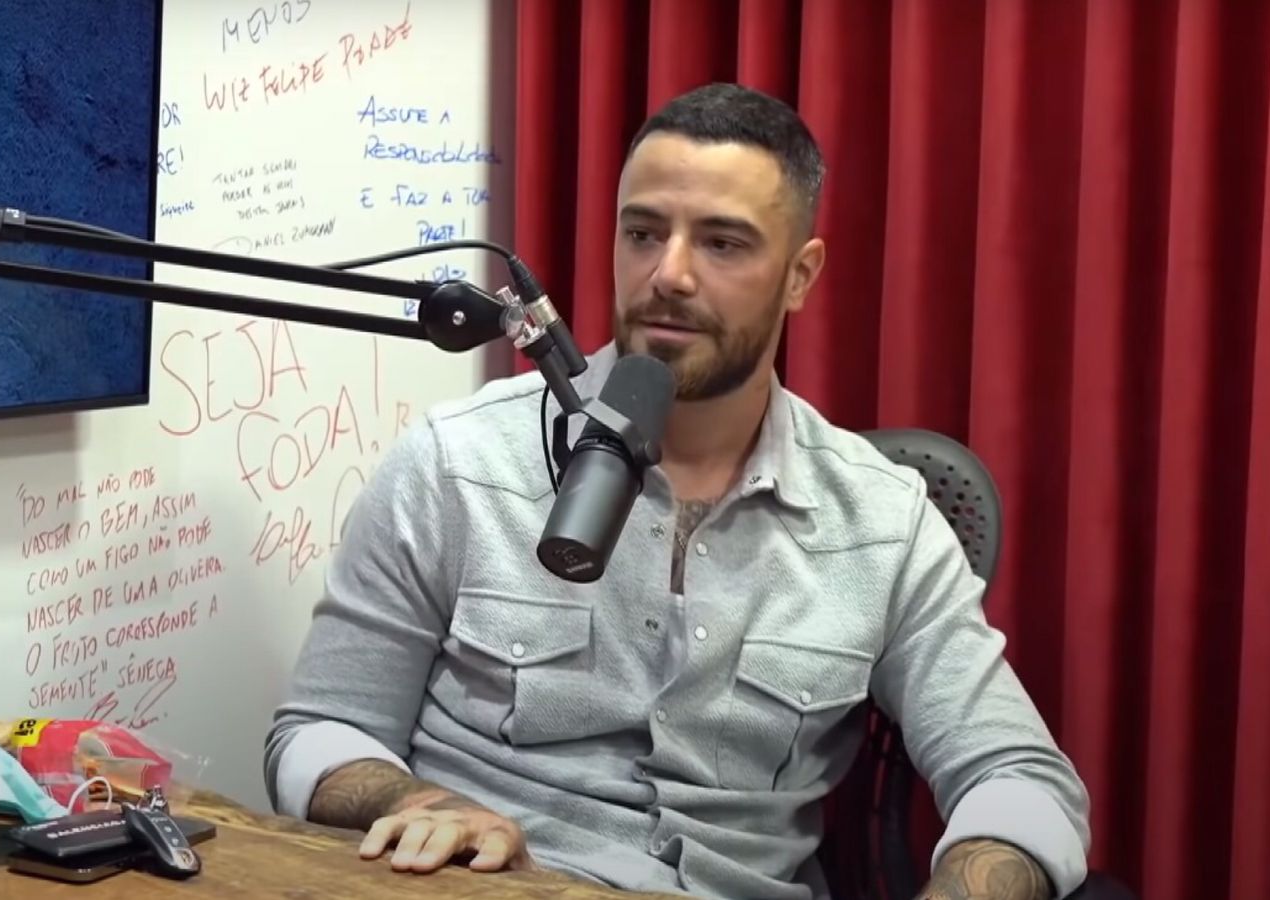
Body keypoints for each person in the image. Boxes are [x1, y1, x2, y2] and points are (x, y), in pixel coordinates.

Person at [264, 82, 1091, 900]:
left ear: (800, 276)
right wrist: (420, 805)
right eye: (643, 233)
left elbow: (1022, 780)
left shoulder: (885, 523)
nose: (669, 274)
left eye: (723, 243)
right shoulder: (457, 462)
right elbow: (317, 730)